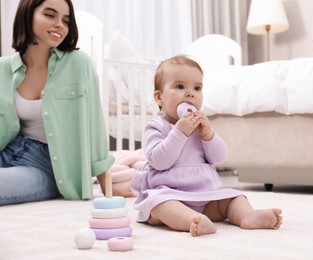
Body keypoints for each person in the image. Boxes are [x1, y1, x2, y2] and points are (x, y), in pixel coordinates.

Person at [131, 56, 283, 236]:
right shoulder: (156, 127)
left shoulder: (200, 128)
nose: (190, 93)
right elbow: (159, 161)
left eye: (197, 88)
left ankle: (247, 216)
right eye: (180, 86)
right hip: (169, 193)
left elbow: (219, 158)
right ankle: (192, 220)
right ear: (159, 97)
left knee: (234, 196)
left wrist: (208, 135)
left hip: (205, 196)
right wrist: (179, 132)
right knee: (158, 204)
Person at [0, 0, 132, 206]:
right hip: (8, 150)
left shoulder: (79, 64)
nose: (60, 24)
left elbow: (95, 129)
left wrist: (109, 197)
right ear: (27, 14)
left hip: (48, 165)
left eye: (66, 20)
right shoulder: (4, 68)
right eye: (50, 15)